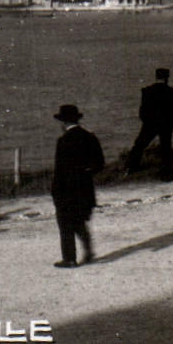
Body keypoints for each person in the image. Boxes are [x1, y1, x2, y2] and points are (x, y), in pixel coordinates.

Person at [51, 104, 105, 267]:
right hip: (85, 188)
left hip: (67, 189)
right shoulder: (90, 136)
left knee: (65, 223)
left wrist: (55, 191)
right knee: (78, 221)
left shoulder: (63, 141)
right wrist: (85, 172)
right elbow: (99, 164)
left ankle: (69, 258)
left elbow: (59, 170)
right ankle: (88, 252)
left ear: (64, 122)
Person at [126, 67, 173, 173]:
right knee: (166, 147)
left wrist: (146, 120)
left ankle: (131, 167)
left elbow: (142, 111)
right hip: (166, 123)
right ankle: (166, 172)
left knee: (139, 144)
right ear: (167, 78)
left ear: (156, 77)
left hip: (150, 124)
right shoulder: (172, 92)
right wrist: (171, 120)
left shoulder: (147, 91)